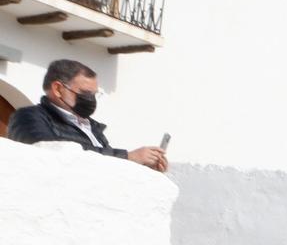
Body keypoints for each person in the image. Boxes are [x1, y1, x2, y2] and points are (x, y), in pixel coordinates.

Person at [7, 59, 169, 170]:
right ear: (58, 89)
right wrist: (128, 157)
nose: (90, 99)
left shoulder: (92, 128)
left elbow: (106, 166)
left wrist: (142, 166)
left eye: (94, 94)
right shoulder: (29, 116)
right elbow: (52, 151)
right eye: (85, 93)